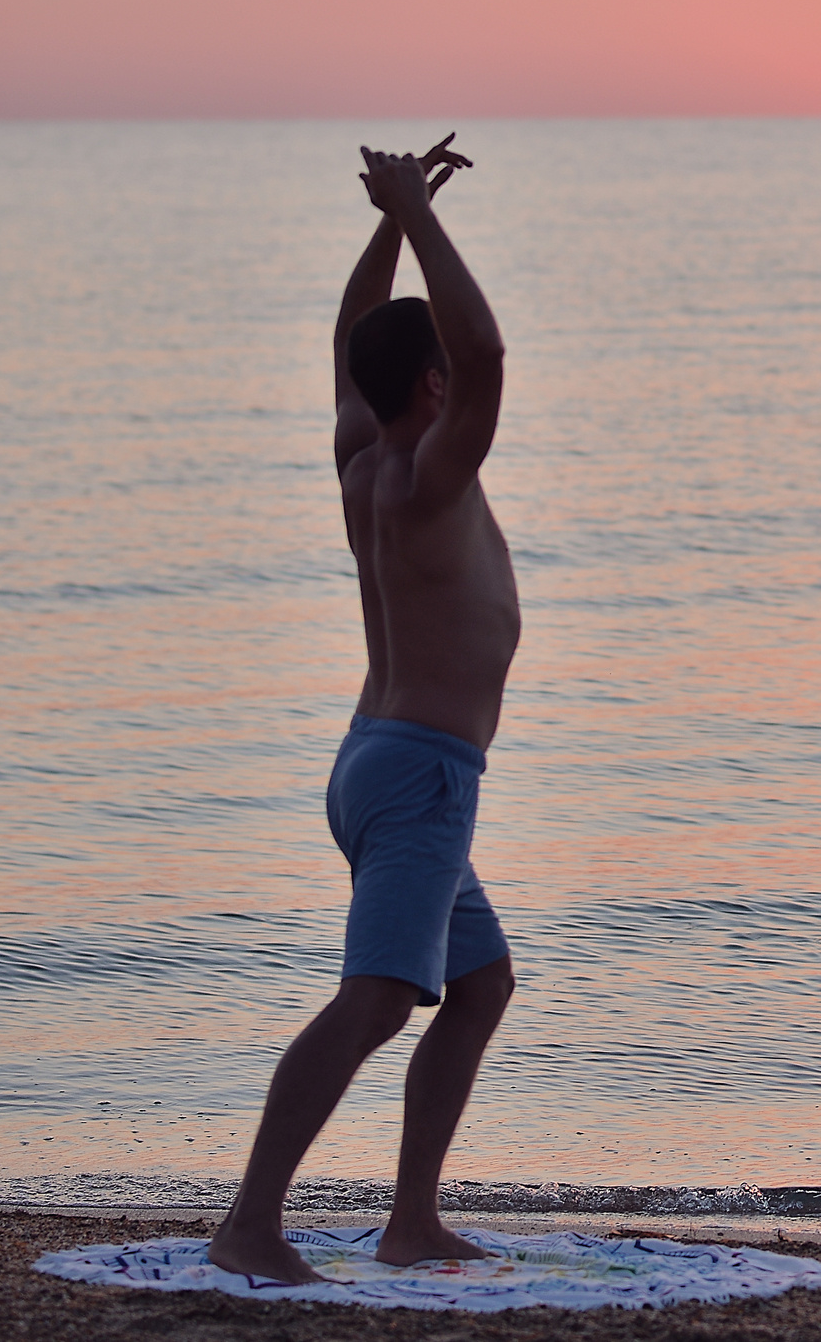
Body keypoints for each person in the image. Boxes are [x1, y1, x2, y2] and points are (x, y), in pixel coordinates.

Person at [208, 137, 520, 1280]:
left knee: (477, 987)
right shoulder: (433, 474)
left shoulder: (360, 457)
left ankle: (410, 1220)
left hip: (386, 763)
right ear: (432, 390)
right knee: (379, 1001)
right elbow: (485, 346)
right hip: (421, 772)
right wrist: (419, 220)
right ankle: (249, 1224)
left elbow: (354, 340)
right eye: (445, 376)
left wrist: (390, 221)